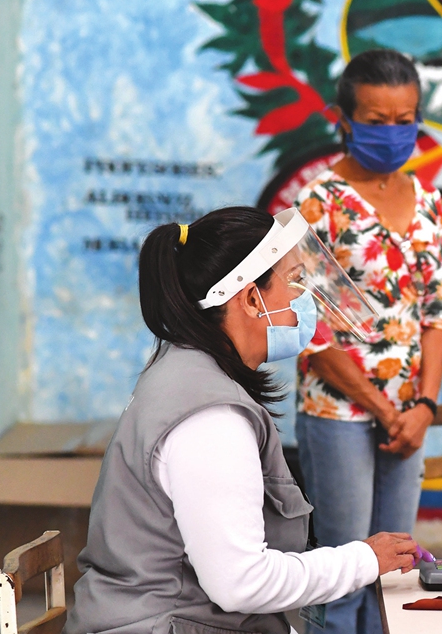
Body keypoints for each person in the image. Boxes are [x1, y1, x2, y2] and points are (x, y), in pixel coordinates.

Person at [67, 206, 423, 634]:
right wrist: (364, 559)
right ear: (252, 299)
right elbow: (240, 584)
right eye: (294, 281)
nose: (304, 298)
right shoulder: (211, 419)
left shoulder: (182, 368)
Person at [293, 49, 442, 634]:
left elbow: (435, 311)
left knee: (396, 579)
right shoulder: (318, 203)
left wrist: (423, 408)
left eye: (404, 119)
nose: (392, 133)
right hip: (338, 414)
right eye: (376, 120)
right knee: (343, 576)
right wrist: (387, 410)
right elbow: (309, 328)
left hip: (408, 418)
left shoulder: (429, 202)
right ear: (343, 117)